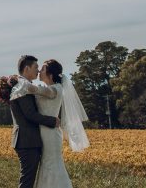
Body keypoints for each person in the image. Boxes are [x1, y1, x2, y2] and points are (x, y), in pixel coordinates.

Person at [12, 59, 90, 188]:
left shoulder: (55, 90)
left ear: (50, 75)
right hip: (44, 132)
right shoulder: (48, 88)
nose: (39, 71)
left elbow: (33, 89)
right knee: (46, 166)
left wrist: (17, 79)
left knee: (52, 164)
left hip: (50, 134)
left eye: (42, 69)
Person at [9, 55, 60, 188]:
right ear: (27, 68)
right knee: (27, 180)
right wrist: (52, 121)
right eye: (36, 67)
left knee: (28, 179)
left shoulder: (23, 85)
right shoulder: (22, 87)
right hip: (27, 140)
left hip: (27, 139)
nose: (38, 71)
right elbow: (30, 115)